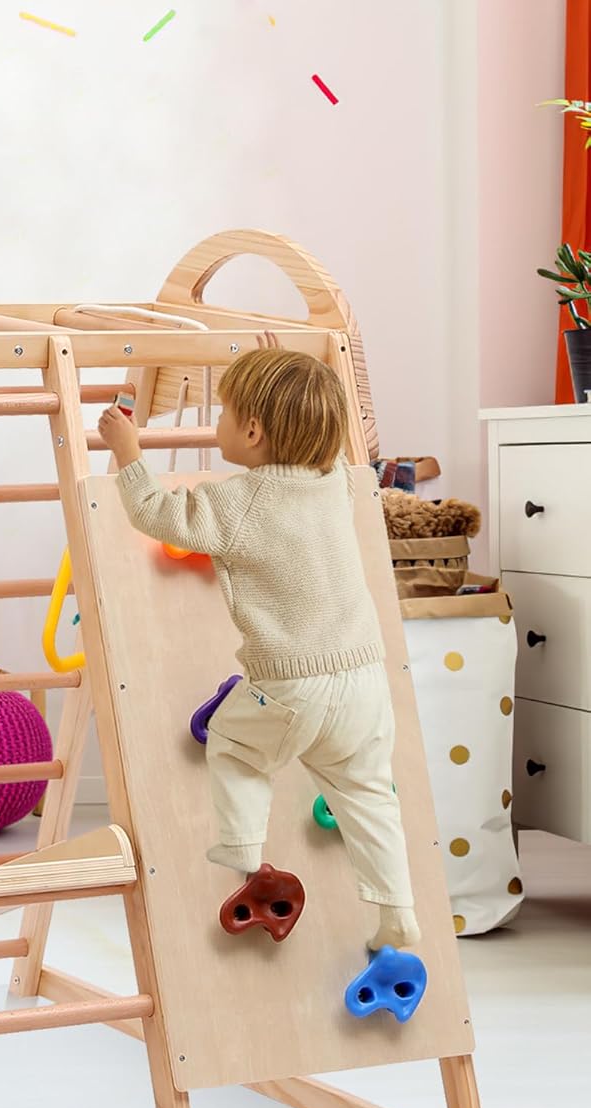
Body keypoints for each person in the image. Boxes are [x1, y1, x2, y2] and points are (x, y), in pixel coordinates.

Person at [97, 344, 418, 952]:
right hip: (365, 680)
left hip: (293, 683)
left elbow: (156, 514)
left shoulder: (237, 501)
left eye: (223, 413)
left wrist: (128, 453)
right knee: (368, 796)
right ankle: (396, 909)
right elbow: (328, 438)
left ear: (251, 431)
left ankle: (245, 856)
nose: (216, 423)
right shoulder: (334, 484)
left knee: (234, 746)